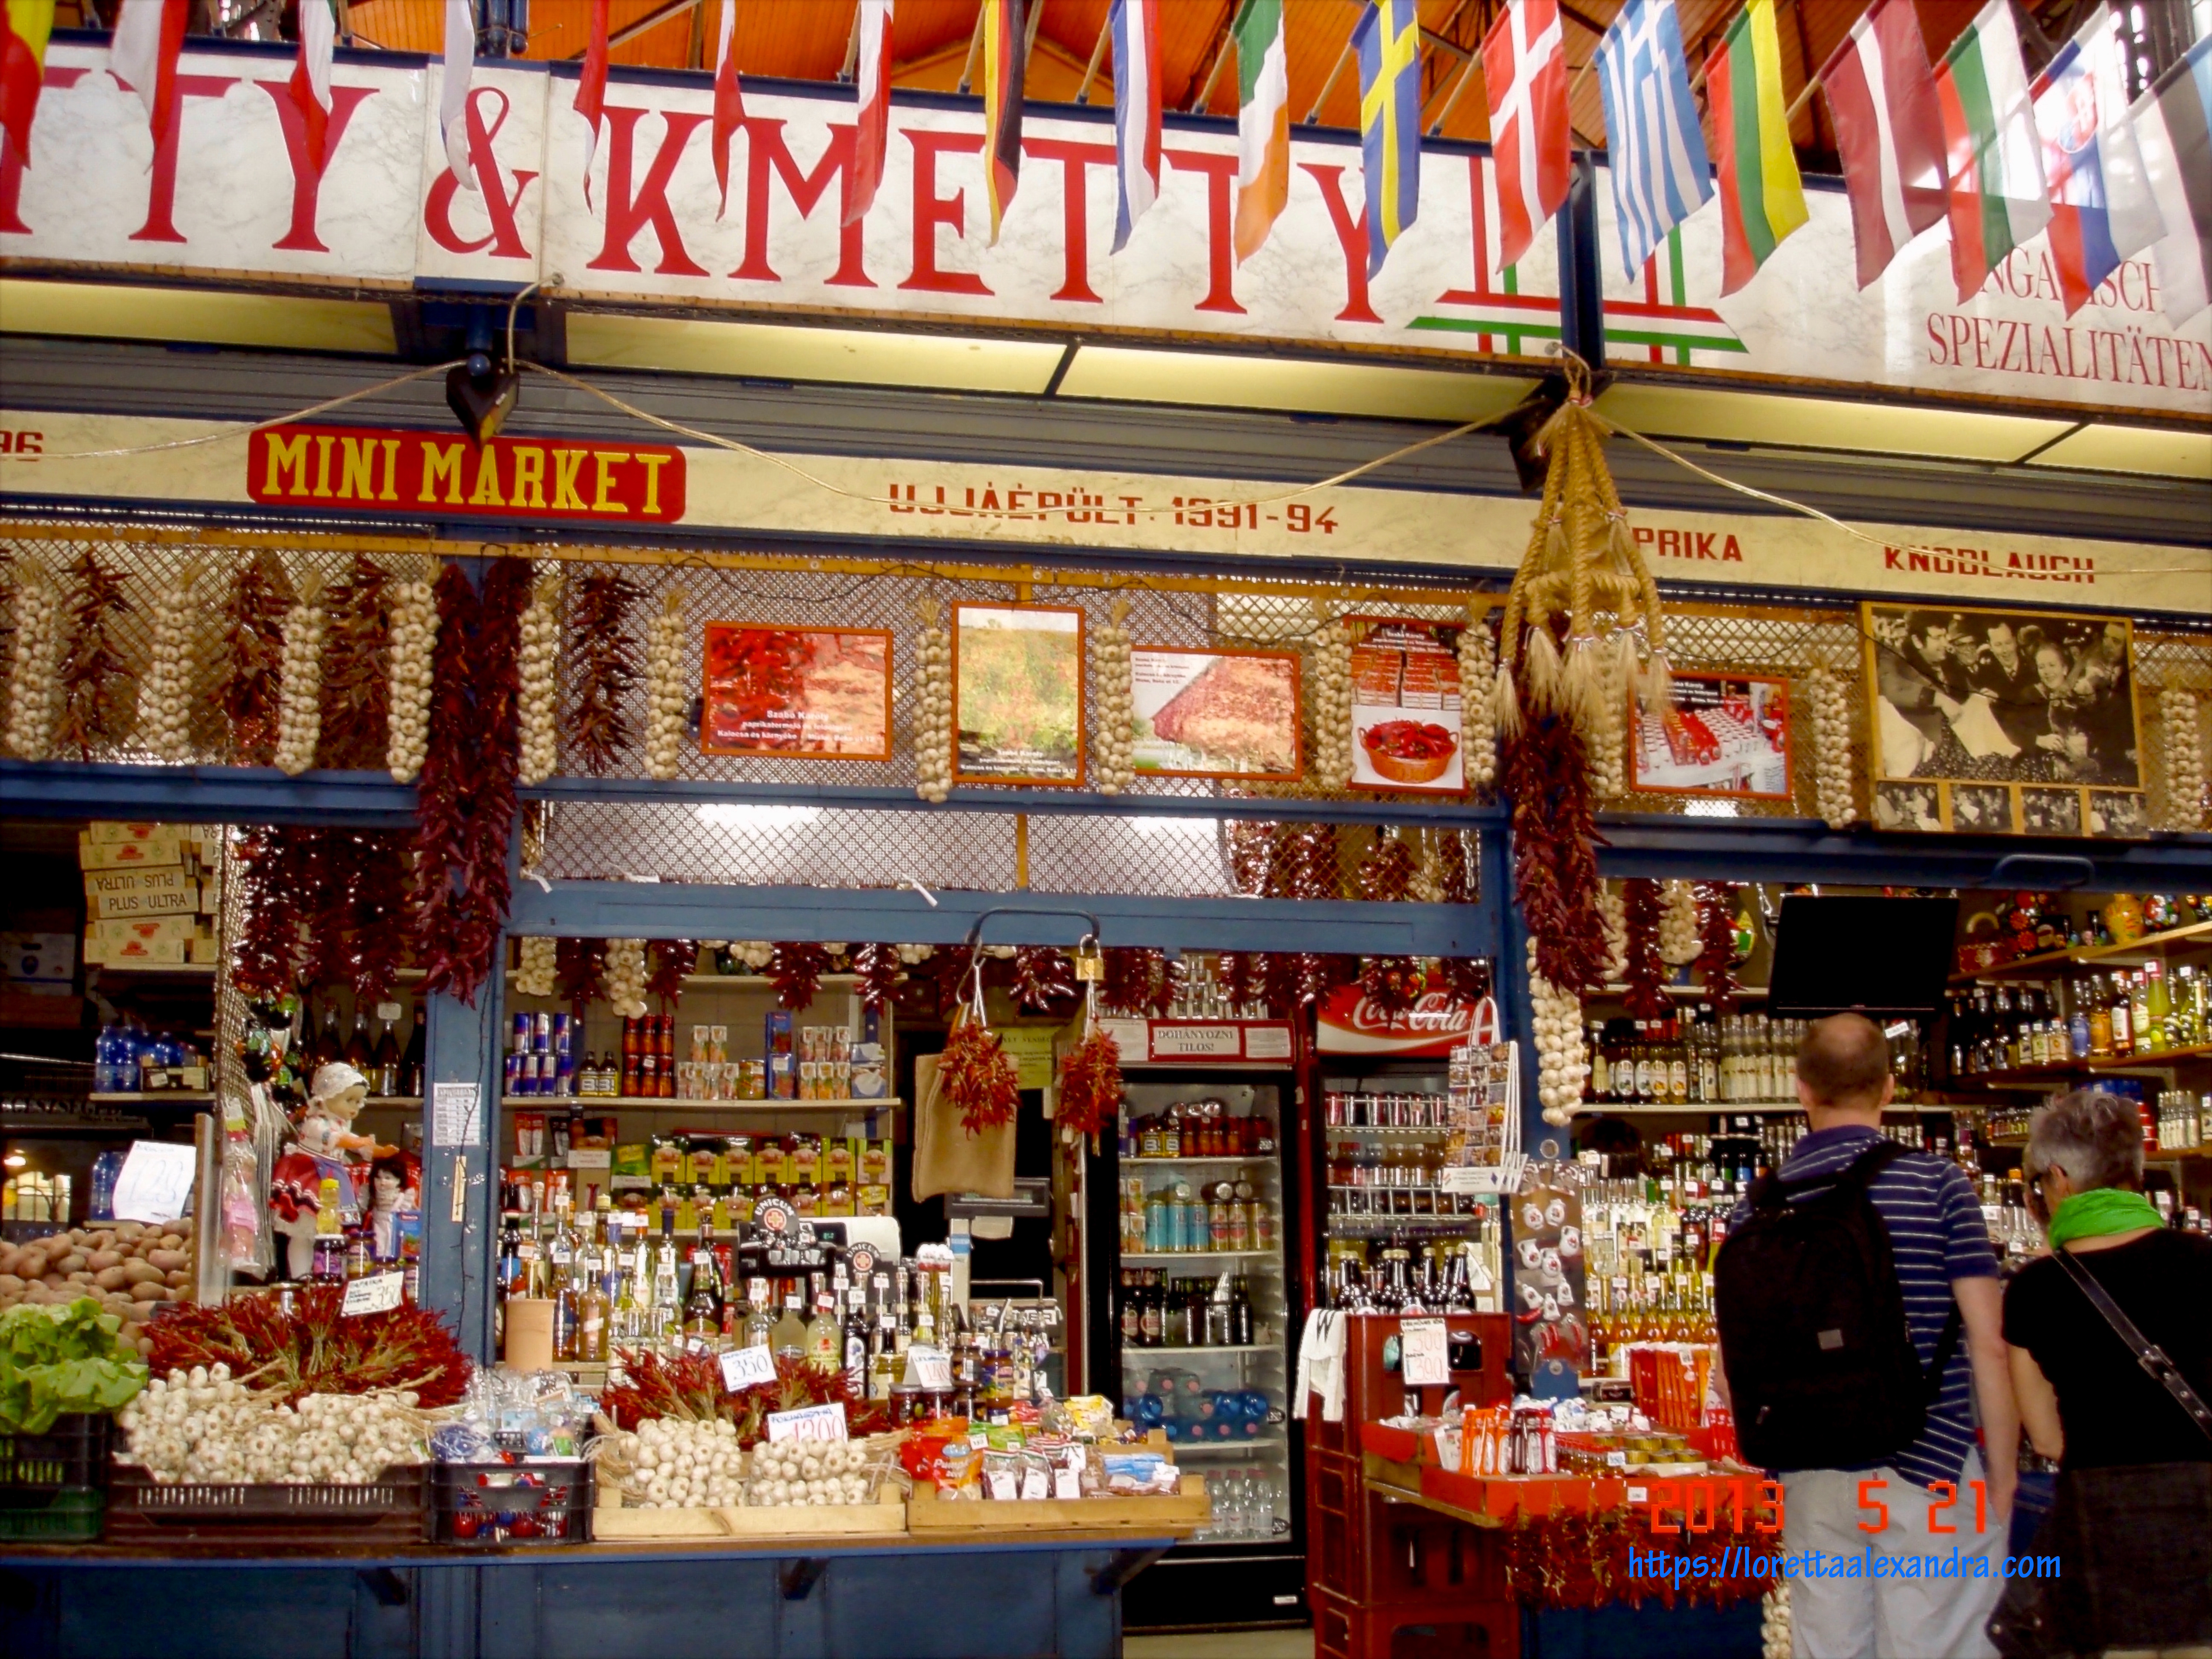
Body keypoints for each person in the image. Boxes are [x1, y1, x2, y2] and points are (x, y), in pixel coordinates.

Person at [1727, 1015, 2017, 1659]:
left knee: (1829, 1648)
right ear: (1889, 1088)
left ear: (1801, 1089)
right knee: (1938, 1645)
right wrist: (2001, 1473)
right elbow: (1989, 1339)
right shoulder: (1937, 1184)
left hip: (1812, 1471)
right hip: (1931, 1461)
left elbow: (1736, 1362)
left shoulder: (1761, 1202)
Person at [1996, 1091, 2212, 1656]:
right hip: (2203, 1515)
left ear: (2061, 1180)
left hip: (2101, 1521)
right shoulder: (2204, 1262)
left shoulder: (2036, 1290)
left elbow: (2043, 1436)